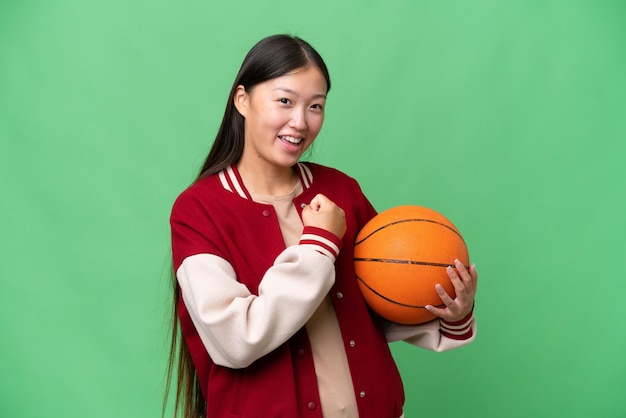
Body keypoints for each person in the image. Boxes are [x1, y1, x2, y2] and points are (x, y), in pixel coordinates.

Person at [165, 34, 478, 418]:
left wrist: (450, 311)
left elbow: (382, 302)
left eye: (315, 106)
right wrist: (319, 244)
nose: (300, 122)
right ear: (242, 99)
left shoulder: (341, 191)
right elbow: (236, 340)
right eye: (285, 101)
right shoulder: (199, 210)